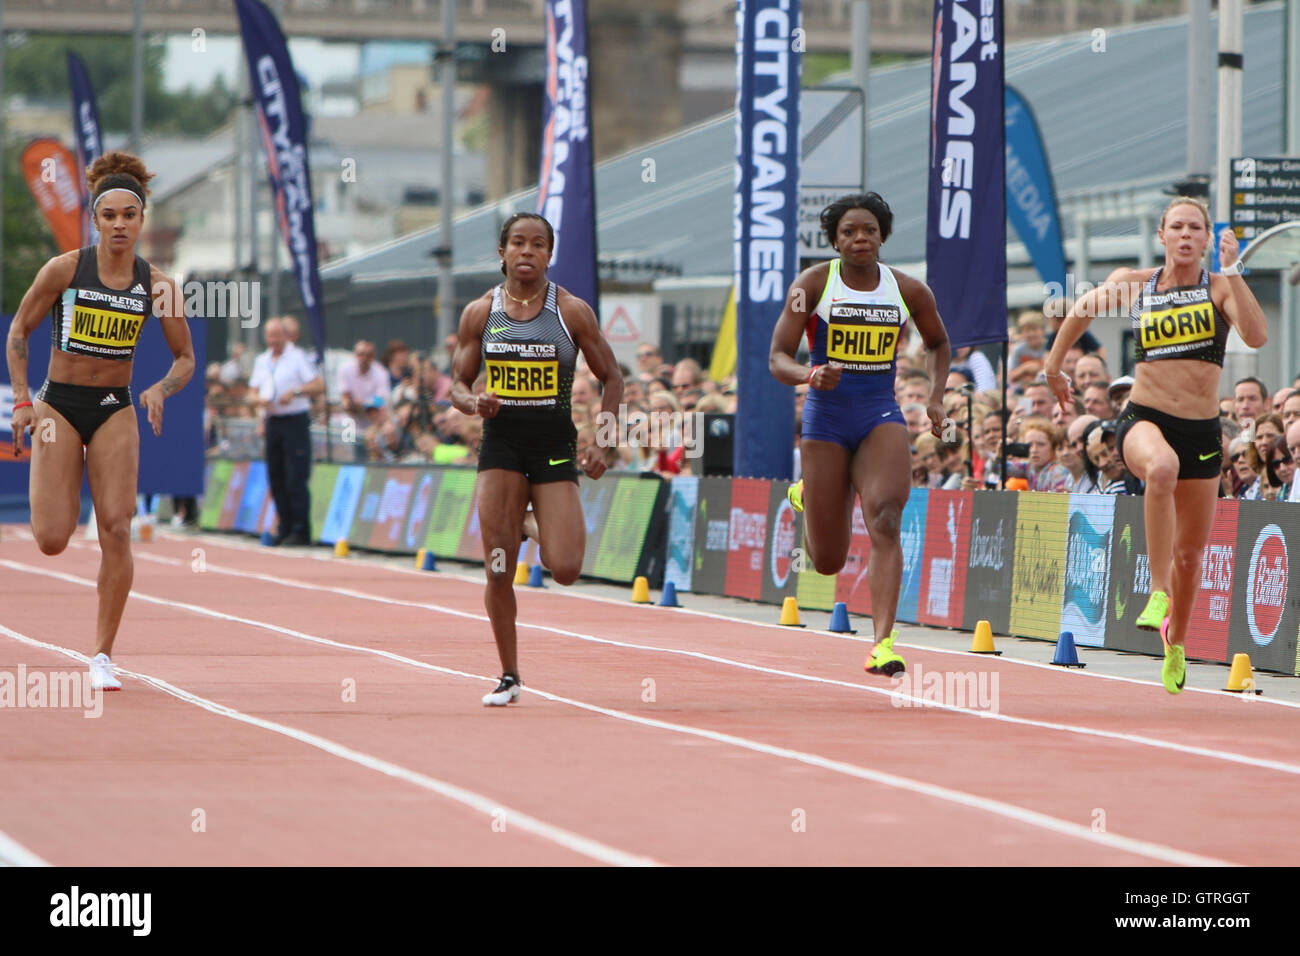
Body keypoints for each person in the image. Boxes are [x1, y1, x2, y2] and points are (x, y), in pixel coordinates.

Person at [1045, 196, 1267, 694]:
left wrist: (1233, 270)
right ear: (1162, 236)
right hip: (1144, 420)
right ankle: (1157, 591)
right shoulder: (1133, 284)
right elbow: (1080, 310)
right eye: (1177, 227)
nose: (1186, 235)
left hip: (1203, 433)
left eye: (1196, 228)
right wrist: (1052, 368)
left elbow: (1256, 335)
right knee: (1160, 468)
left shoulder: (1218, 289)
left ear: (1208, 239)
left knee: (1191, 555)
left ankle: (1176, 644)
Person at [5, 151, 195, 691]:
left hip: (115, 409)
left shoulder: (157, 285)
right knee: (52, 538)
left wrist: (160, 387)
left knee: (116, 527)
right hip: (58, 406)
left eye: (128, 216)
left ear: (141, 221)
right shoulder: (65, 270)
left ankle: (102, 655)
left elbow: (185, 357)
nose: (119, 224)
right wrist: (22, 401)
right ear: (95, 219)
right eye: (109, 215)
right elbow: (18, 332)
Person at [769, 192, 950, 677]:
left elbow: (937, 343)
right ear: (834, 240)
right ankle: (808, 497)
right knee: (827, 561)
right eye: (848, 232)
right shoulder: (812, 283)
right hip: (826, 419)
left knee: (887, 519)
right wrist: (809, 374)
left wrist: (935, 396)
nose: (860, 239)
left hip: (879, 415)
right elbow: (777, 357)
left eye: (869, 230)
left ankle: (883, 642)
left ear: (883, 235)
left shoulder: (908, 289)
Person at [450, 212, 623, 706]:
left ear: (550, 253)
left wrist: (604, 442)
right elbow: (458, 384)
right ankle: (508, 674)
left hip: (552, 448)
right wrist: (472, 403)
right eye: (518, 244)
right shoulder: (480, 313)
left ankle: (526, 521)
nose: (528, 252)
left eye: (538, 244)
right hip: (501, 448)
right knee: (499, 568)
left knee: (565, 567)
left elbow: (613, 377)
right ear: (501, 253)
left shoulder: (570, 311)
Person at [249, 317, 324, 545]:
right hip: (273, 421)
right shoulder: (262, 360)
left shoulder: (298, 357)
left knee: (295, 477)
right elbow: (251, 392)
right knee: (276, 476)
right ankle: (284, 526)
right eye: (270, 336)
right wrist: (258, 403)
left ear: (285, 336)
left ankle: (301, 529)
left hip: (295, 421)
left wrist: (296, 392)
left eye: (277, 336)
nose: (274, 340)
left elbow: (318, 385)